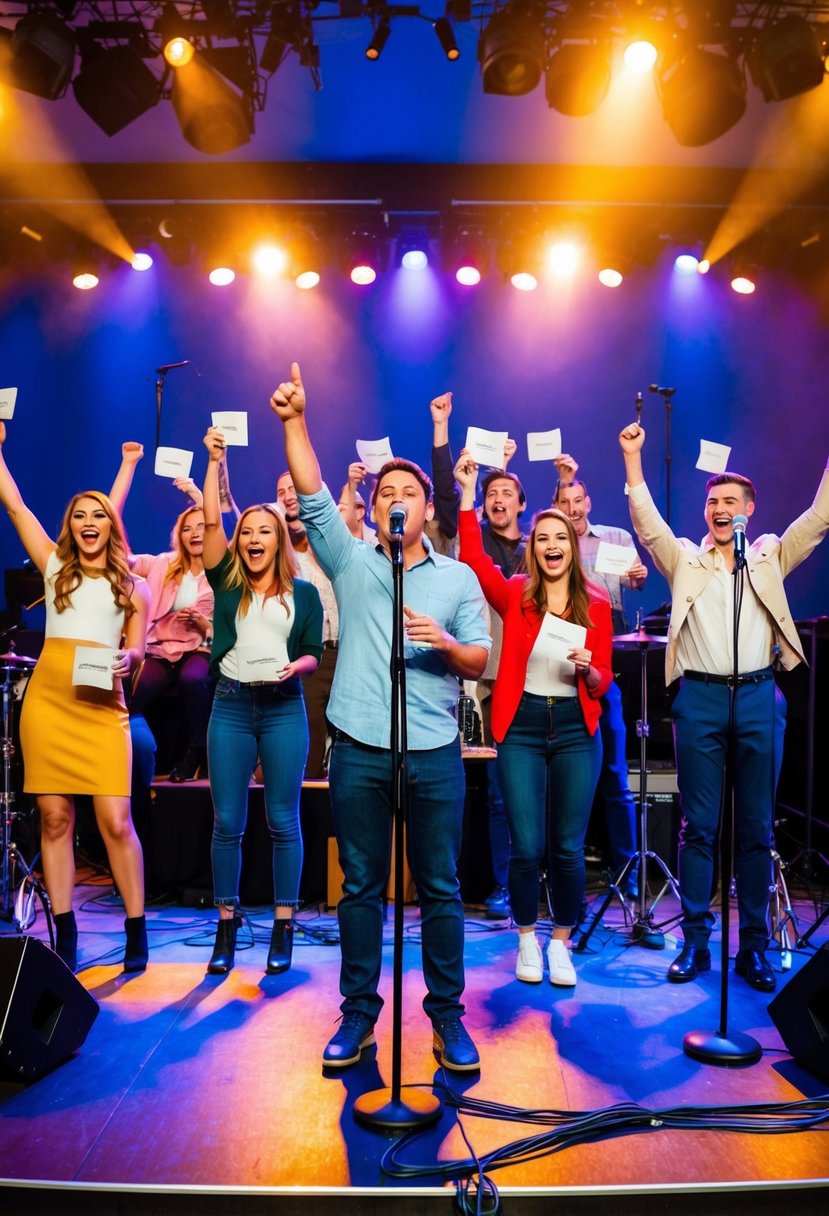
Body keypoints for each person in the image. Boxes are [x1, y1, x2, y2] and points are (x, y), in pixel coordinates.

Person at [270, 363, 491, 1072]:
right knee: (360, 884)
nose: (397, 500)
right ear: (377, 505)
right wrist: (293, 421)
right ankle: (359, 1015)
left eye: (409, 493)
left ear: (428, 509)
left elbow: (478, 661)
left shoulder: (456, 579)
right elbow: (308, 493)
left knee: (441, 888)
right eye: (386, 491)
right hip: (360, 747)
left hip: (432, 750)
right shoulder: (351, 560)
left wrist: (447, 644)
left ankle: (447, 1019)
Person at [619, 420, 829, 991]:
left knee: (757, 829)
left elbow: (818, 519)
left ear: (749, 510)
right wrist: (634, 461)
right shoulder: (687, 559)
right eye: (712, 502)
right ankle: (694, 942)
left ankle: (755, 948)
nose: (718, 508)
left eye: (730, 502)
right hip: (703, 699)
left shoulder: (768, 558)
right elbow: (648, 525)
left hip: (761, 696)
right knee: (699, 828)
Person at [456, 450, 613, 987]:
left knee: (568, 848)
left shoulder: (595, 602)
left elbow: (604, 680)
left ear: (573, 547)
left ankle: (562, 942)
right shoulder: (515, 595)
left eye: (560, 538)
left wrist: (591, 672)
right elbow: (475, 560)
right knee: (527, 846)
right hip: (521, 727)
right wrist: (469, 498)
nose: (551, 545)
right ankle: (527, 937)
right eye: (543, 538)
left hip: (573, 730)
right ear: (533, 547)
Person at [0, 421, 150, 973]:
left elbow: (137, 651)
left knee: (115, 820)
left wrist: (127, 659)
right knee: (55, 819)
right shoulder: (55, 567)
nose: (89, 523)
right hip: (50, 700)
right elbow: (15, 505)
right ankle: (65, 934)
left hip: (102, 704)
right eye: (79, 516)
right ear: (69, 526)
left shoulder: (133, 584)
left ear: (112, 526)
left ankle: (136, 930)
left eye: (99, 516)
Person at [201, 426, 323, 976]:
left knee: (282, 819)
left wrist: (297, 665)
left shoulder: (304, 594)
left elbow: (314, 653)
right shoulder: (227, 583)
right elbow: (209, 521)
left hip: (282, 708)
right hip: (230, 706)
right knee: (227, 821)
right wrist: (214, 462)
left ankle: (283, 924)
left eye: (261, 531)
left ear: (277, 539)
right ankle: (226, 927)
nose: (251, 538)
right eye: (244, 531)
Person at [429, 392, 524, 919]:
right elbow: (449, 501)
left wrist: (503, 471)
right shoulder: (475, 545)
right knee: (496, 792)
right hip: (491, 679)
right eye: (493, 494)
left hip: (546, 678)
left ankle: (542, 883)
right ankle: (506, 885)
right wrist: (442, 430)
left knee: (536, 791)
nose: (498, 500)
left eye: (508, 493)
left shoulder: (539, 545)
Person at [553, 455, 649, 893]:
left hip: (607, 648)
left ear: (588, 502)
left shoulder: (613, 537)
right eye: (565, 501)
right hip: (560, 649)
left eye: (578, 500)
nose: (573, 509)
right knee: (561, 770)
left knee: (614, 768)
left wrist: (638, 574)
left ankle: (627, 872)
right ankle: (556, 871)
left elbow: (636, 583)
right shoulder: (552, 542)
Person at [110, 443, 214, 782]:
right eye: (188, 527)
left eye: (201, 527)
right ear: (179, 535)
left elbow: (221, 530)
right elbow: (119, 552)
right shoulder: (161, 563)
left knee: (193, 678)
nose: (195, 532)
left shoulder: (219, 570)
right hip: (158, 649)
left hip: (196, 650)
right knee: (138, 694)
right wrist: (128, 467)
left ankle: (197, 749)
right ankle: (135, 756)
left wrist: (199, 497)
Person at [276, 469, 339, 779]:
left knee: (346, 736)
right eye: (281, 491)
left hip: (344, 652)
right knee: (311, 733)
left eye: (293, 487)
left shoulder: (334, 546)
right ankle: (311, 815)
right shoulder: (283, 556)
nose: (289, 494)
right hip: (308, 657)